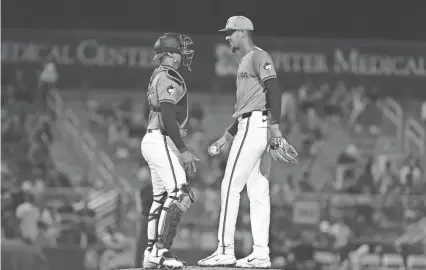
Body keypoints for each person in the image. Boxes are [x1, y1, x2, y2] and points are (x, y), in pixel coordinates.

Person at [198, 16, 297, 268]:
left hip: (256, 127)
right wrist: (226, 136)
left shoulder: (257, 56)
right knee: (258, 192)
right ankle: (261, 253)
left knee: (229, 186)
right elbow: (246, 107)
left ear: (243, 32)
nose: (227, 36)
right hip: (251, 124)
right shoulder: (244, 61)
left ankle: (225, 250)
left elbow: (275, 91)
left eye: (230, 32)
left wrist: (275, 128)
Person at [140, 32, 198, 269]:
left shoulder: (158, 74)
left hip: (154, 139)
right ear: (171, 54)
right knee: (180, 192)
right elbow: (167, 114)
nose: (183, 53)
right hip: (161, 139)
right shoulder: (170, 75)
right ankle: (161, 251)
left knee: (161, 198)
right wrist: (182, 150)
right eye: (180, 50)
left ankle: (150, 252)